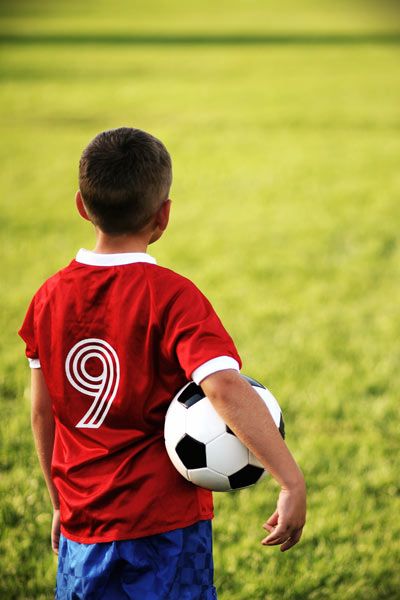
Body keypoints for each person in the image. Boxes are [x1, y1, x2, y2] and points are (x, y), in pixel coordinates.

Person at [19, 127, 306, 600]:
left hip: (82, 525)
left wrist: (58, 502)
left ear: (81, 205)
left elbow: (42, 412)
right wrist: (290, 480)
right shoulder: (173, 297)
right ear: (164, 216)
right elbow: (225, 388)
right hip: (163, 527)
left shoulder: (47, 298)